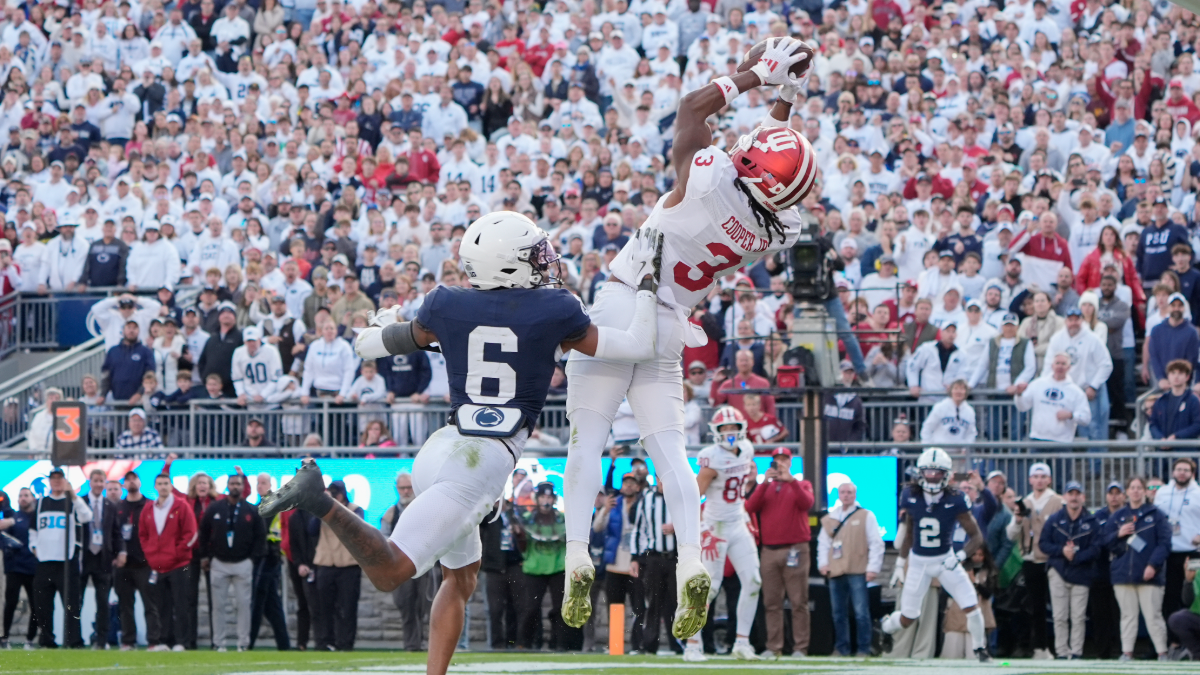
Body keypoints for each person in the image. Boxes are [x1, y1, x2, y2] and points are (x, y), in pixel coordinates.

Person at [259, 211, 664, 675]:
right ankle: (319, 499)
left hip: (441, 447)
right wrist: (647, 287)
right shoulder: (556, 308)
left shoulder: (445, 303)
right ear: (508, 264)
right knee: (393, 571)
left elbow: (368, 347)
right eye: (534, 254)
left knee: (461, 578)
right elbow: (640, 345)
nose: (545, 261)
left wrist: (383, 323)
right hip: (482, 461)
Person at [560, 37, 817, 640]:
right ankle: (693, 563)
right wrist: (787, 96)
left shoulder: (706, 176)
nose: (745, 145)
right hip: (672, 326)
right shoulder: (776, 228)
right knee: (671, 452)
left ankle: (576, 553)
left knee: (587, 437)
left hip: (625, 300)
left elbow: (692, 110)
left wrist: (755, 76)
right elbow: (766, 164)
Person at [881, 448, 990, 662]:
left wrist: (959, 557)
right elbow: (910, 534)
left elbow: (977, 537)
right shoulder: (910, 495)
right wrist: (899, 564)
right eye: (928, 472)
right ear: (920, 473)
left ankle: (980, 649)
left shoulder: (956, 498)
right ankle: (885, 627)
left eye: (937, 472)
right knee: (908, 617)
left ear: (946, 474)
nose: (931, 476)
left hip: (944, 560)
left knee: (972, 605)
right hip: (918, 562)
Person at [683, 406, 761, 661]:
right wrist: (703, 530)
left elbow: (739, 492)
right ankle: (692, 644)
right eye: (724, 428)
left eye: (733, 427)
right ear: (716, 431)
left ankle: (742, 643)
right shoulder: (711, 457)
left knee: (753, 581)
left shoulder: (747, 449)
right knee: (710, 588)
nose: (729, 432)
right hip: (715, 526)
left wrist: (745, 516)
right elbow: (693, 498)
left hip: (737, 523)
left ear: (741, 429)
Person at [744, 447, 813, 659]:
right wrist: (765, 483)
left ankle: (800, 647)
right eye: (777, 460)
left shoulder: (802, 484)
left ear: (790, 463)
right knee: (771, 602)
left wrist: (791, 481)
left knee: (798, 600)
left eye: (784, 460)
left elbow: (807, 503)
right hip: (769, 550)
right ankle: (774, 646)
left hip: (795, 549)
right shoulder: (766, 486)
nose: (781, 464)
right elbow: (750, 506)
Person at [1106, 475, 1172, 661]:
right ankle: (1127, 652)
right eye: (1132, 488)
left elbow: (1165, 543)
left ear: (1145, 491)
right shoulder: (1117, 516)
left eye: (1139, 487)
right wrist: (1118, 534)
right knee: (1128, 616)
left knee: (1153, 616)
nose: (1135, 491)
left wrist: (1153, 565)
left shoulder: (1157, 515)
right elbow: (1104, 541)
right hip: (1122, 574)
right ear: (1127, 492)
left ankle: (1162, 652)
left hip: (1149, 575)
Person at [817, 481, 884, 658]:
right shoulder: (830, 518)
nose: (846, 495)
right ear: (838, 495)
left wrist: (873, 568)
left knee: (861, 612)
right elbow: (823, 544)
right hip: (836, 570)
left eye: (849, 492)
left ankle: (863, 648)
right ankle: (841, 648)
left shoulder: (866, 515)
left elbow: (876, 543)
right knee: (838, 613)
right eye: (843, 492)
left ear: (854, 494)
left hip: (857, 570)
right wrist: (823, 564)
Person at [199, 474, 265, 652]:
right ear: (227, 485)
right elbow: (203, 532)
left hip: (243, 562)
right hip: (219, 563)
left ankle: (243, 643)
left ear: (243, 487)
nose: (235, 486)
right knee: (218, 606)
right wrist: (205, 556)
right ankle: (218, 643)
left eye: (238, 483)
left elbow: (260, 537)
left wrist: (252, 559)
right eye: (232, 483)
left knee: (243, 605)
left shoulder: (251, 510)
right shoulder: (215, 508)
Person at [30, 467, 93, 649]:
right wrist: (34, 547)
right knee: (43, 605)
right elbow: (33, 530)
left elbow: (87, 516)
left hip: (67, 561)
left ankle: (74, 641)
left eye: (60, 478)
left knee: (71, 604)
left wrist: (72, 494)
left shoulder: (72, 502)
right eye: (54, 478)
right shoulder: (41, 503)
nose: (57, 481)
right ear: (49, 481)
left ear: (65, 481)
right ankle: (47, 640)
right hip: (45, 561)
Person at [1038, 480, 1101, 660]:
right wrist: (1062, 551)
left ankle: (1076, 652)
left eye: (1077, 494)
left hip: (1082, 572)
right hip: (1058, 570)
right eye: (1071, 494)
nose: (1074, 497)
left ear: (1083, 497)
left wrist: (1077, 556)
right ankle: (1061, 652)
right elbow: (1043, 543)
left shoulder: (1092, 521)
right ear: (1064, 497)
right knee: (1059, 616)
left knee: (1078, 616)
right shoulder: (1054, 519)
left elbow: (1097, 548)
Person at [1006, 462, 1061, 660]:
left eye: (1043, 476)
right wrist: (1018, 519)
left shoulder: (1057, 501)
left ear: (1049, 479)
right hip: (1030, 559)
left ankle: (1061, 648)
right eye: (1036, 476)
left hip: (1052, 560)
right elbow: (1011, 534)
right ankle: (1040, 647)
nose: (1039, 480)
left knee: (1059, 608)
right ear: (1030, 480)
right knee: (1035, 608)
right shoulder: (1025, 503)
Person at [138, 473, 197, 652]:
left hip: (178, 564)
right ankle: (164, 641)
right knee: (162, 606)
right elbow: (143, 534)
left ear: (171, 486)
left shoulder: (182, 506)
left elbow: (191, 533)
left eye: (166, 483)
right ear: (155, 487)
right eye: (160, 484)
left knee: (181, 604)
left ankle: (181, 642)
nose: (163, 487)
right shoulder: (149, 509)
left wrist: (177, 553)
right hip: (158, 565)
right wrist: (150, 554)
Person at [381, 472, 433, 652]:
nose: (406, 491)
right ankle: (411, 644)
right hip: (402, 567)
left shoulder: (426, 510)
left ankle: (427, 643)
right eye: (402, 488)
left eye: (409, 487)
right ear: (397, 489)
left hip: (425, 565)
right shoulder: (391, 513)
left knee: (426, 606)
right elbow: (384, 539)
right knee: (406, 606)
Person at [593, 474, 643, 654]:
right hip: (615, 564)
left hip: (636, 565)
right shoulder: (614, 505)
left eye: (632, 483)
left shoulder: (644, 504)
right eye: (625, 483)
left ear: (638, 487)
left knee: (639, 608)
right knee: (614, 607)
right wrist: (605, 510)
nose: (628, 486)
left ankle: (638, 646)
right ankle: (615, 645)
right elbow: (597, 527)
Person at [313, 480, 363, 652]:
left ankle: (346, 643)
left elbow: (355, 529)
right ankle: (325, 641)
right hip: (326, 563)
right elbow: (311, 529)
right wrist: (321, 507)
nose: (335, 496)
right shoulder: (322, 509)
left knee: (347, 607)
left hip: (348, 564)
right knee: (324, 607)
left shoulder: (356, 510)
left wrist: (334, 508)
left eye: (337, 493)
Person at [632, 473, 679, 656]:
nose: (662, 482)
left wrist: (676, 527)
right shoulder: (647, 499)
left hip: (675, 557)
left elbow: (693, 522)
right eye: (660, 478)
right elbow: (639, 529)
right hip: (654, 558)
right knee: (653, 602)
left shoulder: (680, 497)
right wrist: (635, 557)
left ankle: (679, 644)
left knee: (677, 601)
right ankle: (650, 644)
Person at [522, 482, 573, 651]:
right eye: (543, 497)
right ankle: (527, 643)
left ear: (554, 500)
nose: (546, 501)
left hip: (558, 567)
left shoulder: (563, 519)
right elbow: (521, 545)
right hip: (534, 567)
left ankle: (559, 644)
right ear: (537, 499)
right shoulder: (527, 519)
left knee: (560, 608)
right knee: (531, 608)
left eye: (549, 497)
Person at [1156, 458, 1200, 654]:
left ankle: (1193, 644)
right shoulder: (1162, 492)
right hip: (1169, 551)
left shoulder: (1198, 493)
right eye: (1179, 469)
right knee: (1170, 597)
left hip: (1193, 552)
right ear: (1173, 472)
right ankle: (1174, 643)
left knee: (1191, 596)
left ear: (1192, 473)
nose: (1182, 473)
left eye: (1186, 470)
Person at [114, 471, 157, 652]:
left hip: (144, 564)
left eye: (134, 479)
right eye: (128, 479)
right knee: (125, 605)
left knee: (150, 604)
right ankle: (128, 641)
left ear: (140, 482)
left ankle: (153, 641)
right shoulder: (118, 506)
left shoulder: (150, 505)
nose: (131, 482)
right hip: (123, 564)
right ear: (124, 485)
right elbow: (114, 533)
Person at [81, 469, 121, 650]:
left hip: (103, 559)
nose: (98, 484)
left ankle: (102, 640)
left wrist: (120, 552)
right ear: (90, 482)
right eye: (95, 480)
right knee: (76, 600)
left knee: (103, 601)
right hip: (83, 557)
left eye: (101, 481)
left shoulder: (110, 505)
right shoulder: (80, 501)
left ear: (105, 483)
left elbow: (116, 532)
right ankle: (74, 639)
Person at [249, 473, 290, 652]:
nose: (260, 486)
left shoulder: (272, 506)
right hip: (265, 559)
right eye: (258, 483)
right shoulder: (261, 506)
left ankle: (249, 641)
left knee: (258, 602)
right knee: (271, 604)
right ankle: (284, 644)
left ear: (271, 485)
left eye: (263, 483)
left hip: (269, 558)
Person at [1017, 353, 1092, 443]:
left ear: (1069, 367)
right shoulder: (1037, 384)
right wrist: (1019, 395)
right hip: (1037, 439)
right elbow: (1022, 407)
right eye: (1057, 363)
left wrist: (1070, 415)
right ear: (1052, 366)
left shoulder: (1076, 392)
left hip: (1062, 442)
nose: (1060, 366)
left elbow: (1086, 418)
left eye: (1063, 364)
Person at [0, 488, 38, 649]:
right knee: (10, 603)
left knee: (36, 605)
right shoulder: (13, 518)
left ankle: (30, 640)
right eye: (20, 496)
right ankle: (4, 639)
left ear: (33, 498)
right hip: (15, 568)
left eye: (26, 495)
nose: (23, 498)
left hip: (34, 568)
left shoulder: (37, 517)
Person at [1148, 361, 1200, 442]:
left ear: (1187, 377)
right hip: (1162, 448)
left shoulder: (1193, 400)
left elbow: (1197, 425)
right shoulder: (1161, 401)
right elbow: (1153, 424)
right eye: (1173, 373)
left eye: (1180, 373)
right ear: (1168, 376)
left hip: (1185, 447)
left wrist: (1176, 436)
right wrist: (1160, 438)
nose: (1176, 376)